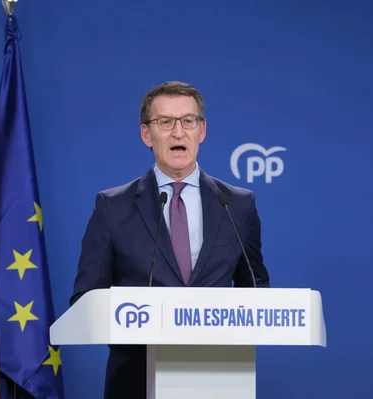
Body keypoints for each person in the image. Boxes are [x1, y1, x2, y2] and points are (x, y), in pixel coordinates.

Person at [69, 81, 270, 399]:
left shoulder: (237, 204)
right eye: (165, 122)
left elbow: (257, 293)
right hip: (136, 379)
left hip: (218, 377)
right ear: (147, 134)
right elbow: (85, 299)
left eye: (188, 121)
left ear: (201, 131)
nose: (179, 132)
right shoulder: (113, 206)